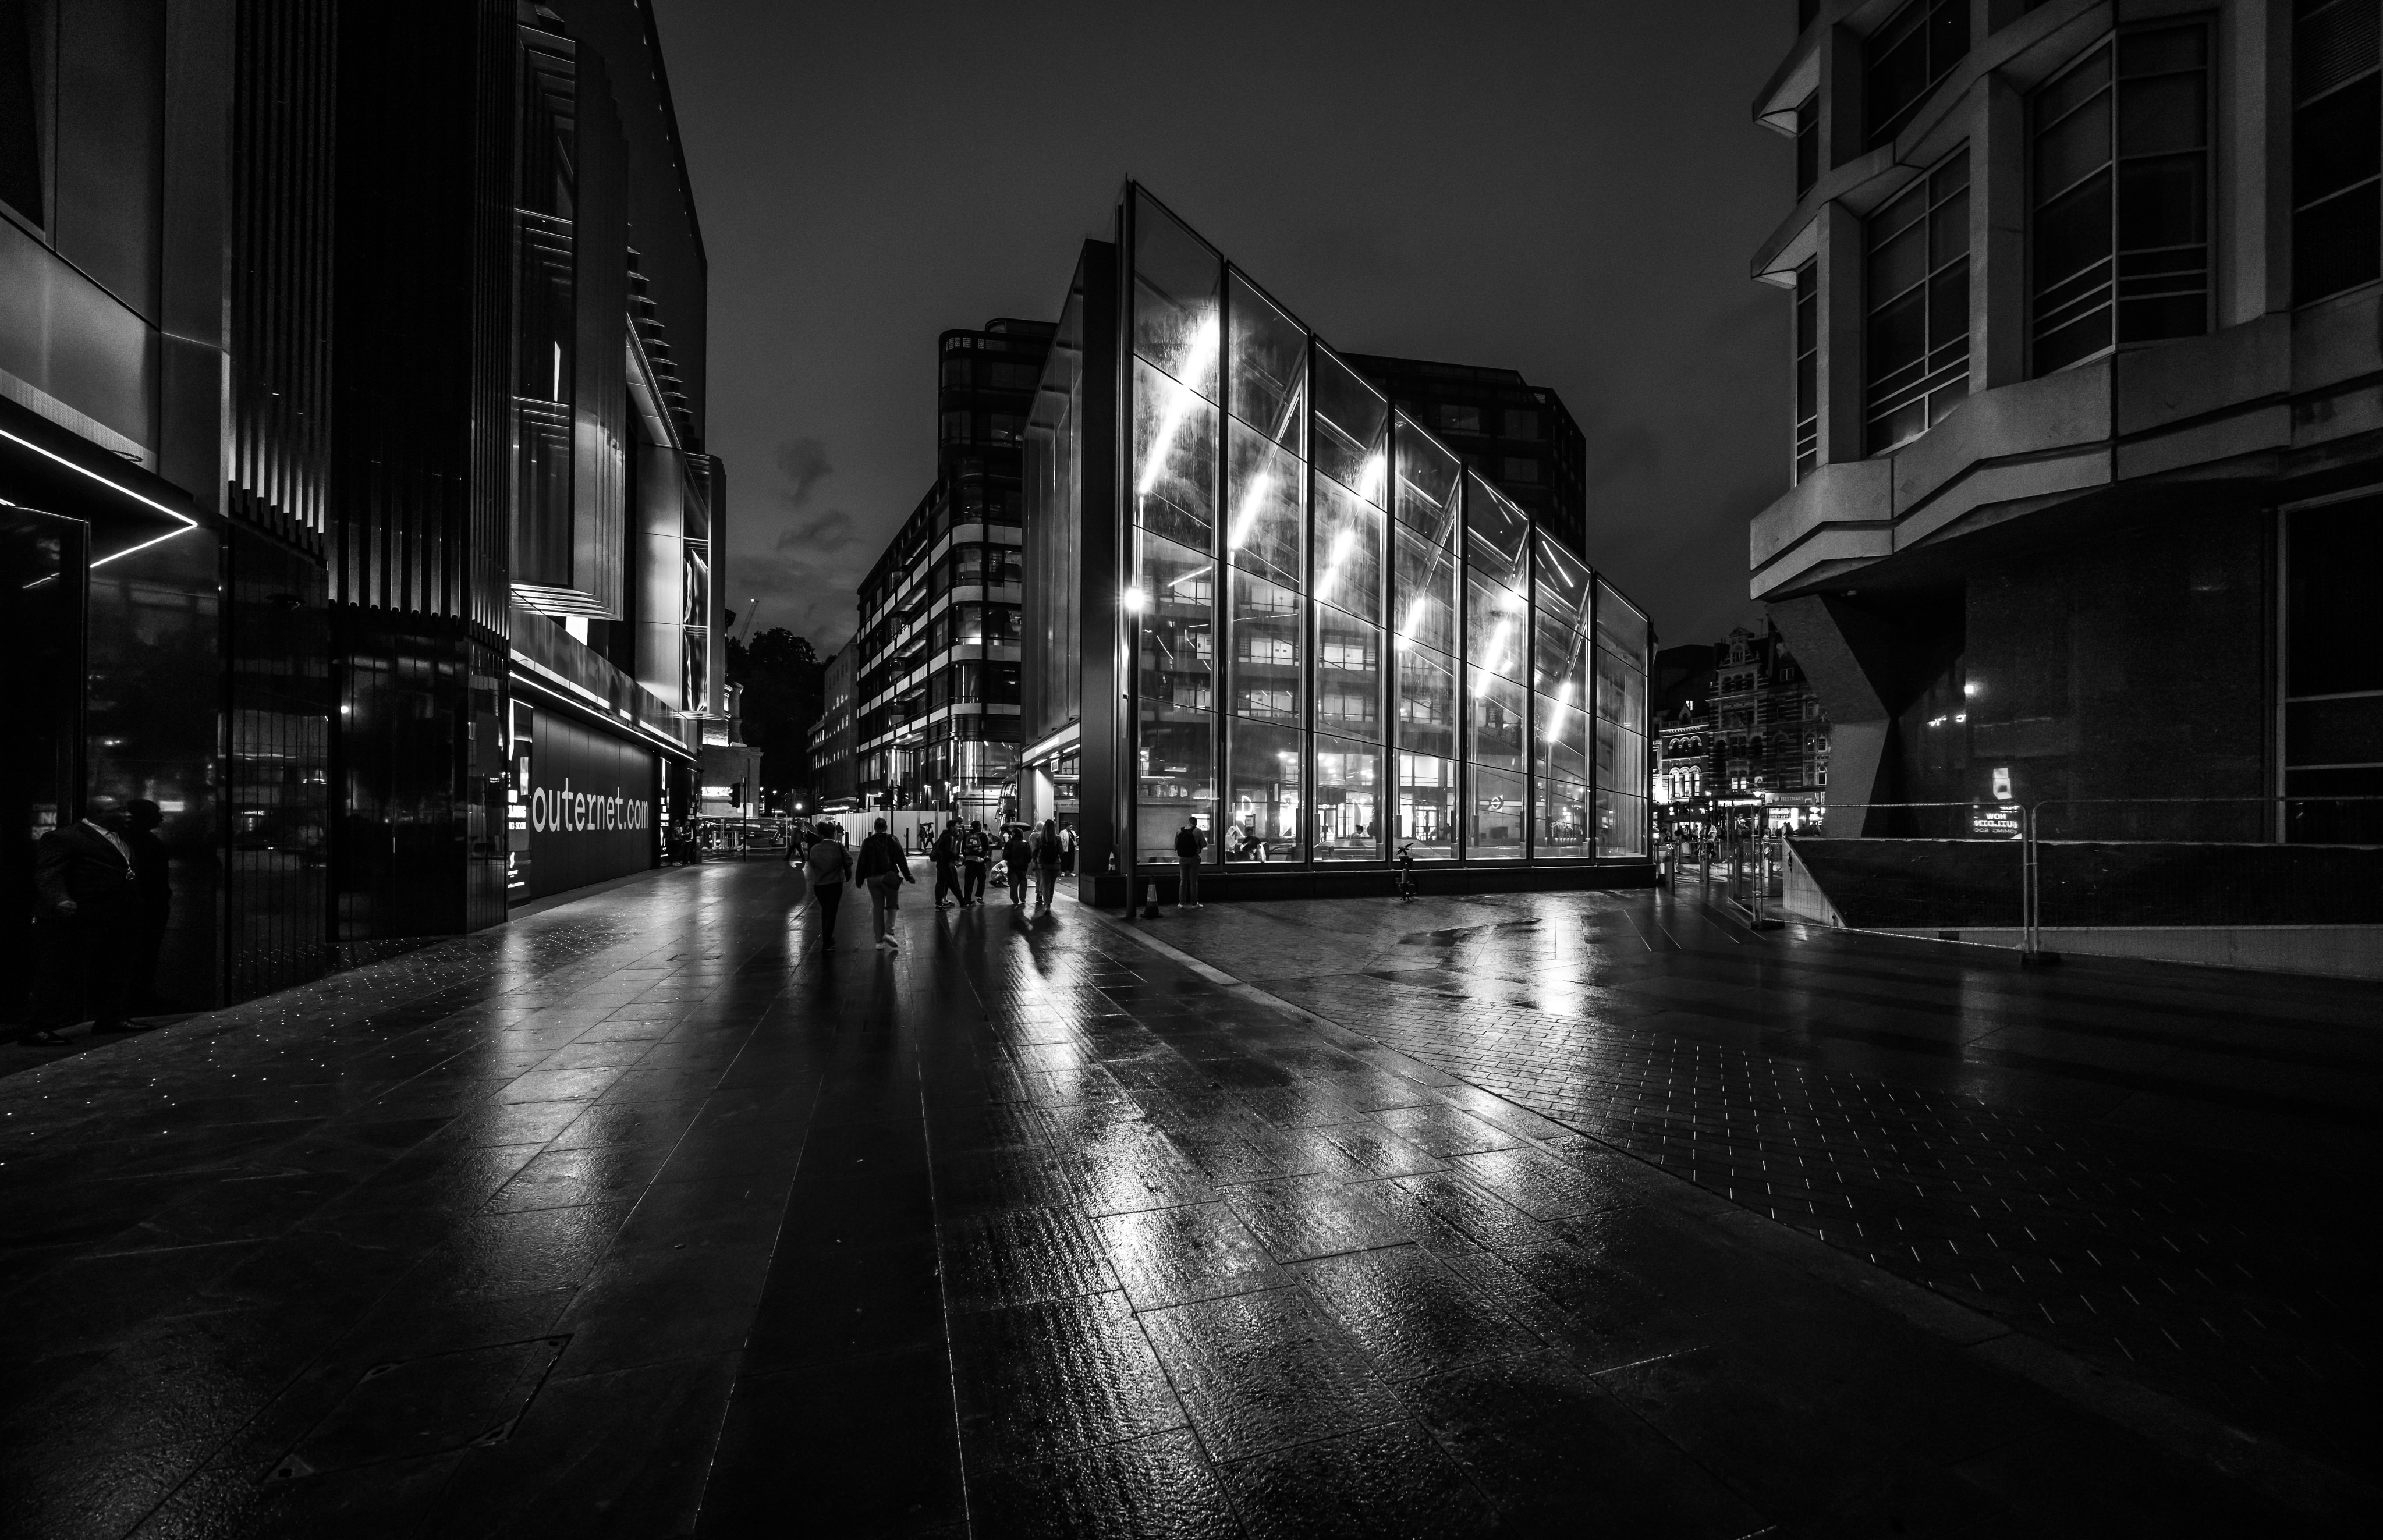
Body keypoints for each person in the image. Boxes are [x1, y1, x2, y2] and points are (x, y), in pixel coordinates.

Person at [25, 794, 143, 1045]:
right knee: (59, 972)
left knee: (114, 969)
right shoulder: (64, 837)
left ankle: (111, 1018)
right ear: (99, 813)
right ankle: (37, 1028)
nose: (127, 814)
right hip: (78, 917)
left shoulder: (119, 836)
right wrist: (59, 899)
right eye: (120, 810)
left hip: (115, 915)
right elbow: (49, 872)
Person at [125, 798, 172, 1012]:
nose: (161, 817)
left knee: (142, 951)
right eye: (156, 813)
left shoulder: (130, 840)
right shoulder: (143, 841)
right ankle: (139, 996)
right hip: (147, 905)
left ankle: (137, 995)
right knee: (145, 951)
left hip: (147, 903)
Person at [853, 816, 914, 950]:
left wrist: (859, 880)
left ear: (875, 828)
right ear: (886, 827)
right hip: (889, 877)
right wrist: (908, 876)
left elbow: (862, 861)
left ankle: (879, 942)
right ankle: (889, 932)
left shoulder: (868, 841)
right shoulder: (892, 839)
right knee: (893, 905)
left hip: (872, 878)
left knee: (877, 909)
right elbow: (900, 859)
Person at [801, 820, 850, 951]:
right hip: (835, 883)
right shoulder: (839, 847)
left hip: (819, 885)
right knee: (832, 912)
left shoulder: (815, 849)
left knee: (825, 910)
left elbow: (813, 865)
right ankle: (827, 940)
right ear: (834, 834)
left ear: (821, 835)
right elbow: (848, 861)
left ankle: (827, 938)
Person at [1173, 815, 1206, 909]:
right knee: (1193, 881)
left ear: (1188, 822)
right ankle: (1194, 904)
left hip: (1182, 858)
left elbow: (1175, 846)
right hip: (1194, 858)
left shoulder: (1179, 831)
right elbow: (1204, 844)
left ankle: (1181, 903)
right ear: (1195, 823)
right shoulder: (1198, 831)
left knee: (1183, 881)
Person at [1031, 818, 1063, 911]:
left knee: (1045, 884)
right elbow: (1061, 852)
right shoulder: (1058, 838)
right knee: (1052, 884)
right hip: (1056, 865)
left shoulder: (1040, 838)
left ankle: (1047, 905)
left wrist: (1035, 862)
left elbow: (1035, 852)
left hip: (1043, 865)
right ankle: (1049, 902)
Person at [930, 819, 962, 909]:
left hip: (941, 863)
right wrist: (958, 858)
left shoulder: (943, 836)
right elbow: (949, 852)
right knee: (954, 884)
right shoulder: (950, 837)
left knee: (941, 883)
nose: (959, 827)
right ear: (952, 827)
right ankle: (963, 902)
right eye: (957, 826)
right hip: (947, 864)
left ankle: (939, 904)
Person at [960, 819, 990, 907]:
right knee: (982, 879)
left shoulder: (967, 835)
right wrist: (983, 855)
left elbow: (963, 849)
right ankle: (979, 896)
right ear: (979, 827)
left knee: (969, 881)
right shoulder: (983, 835)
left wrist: (967, 856)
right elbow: (987, 847)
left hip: (969, 861)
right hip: (980, 861)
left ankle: (968, 899)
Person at [1002, 824, 1032, 906]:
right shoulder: (1025, 843)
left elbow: (1005, 856)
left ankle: (1015, 900)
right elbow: (1029, 856)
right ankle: (1023, 898)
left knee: (1013, 885)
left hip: (1012, 867)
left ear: (1013, 834)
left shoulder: (1009, 843)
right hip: (1023, 867)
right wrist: (1026, 862)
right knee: (1023, 882)